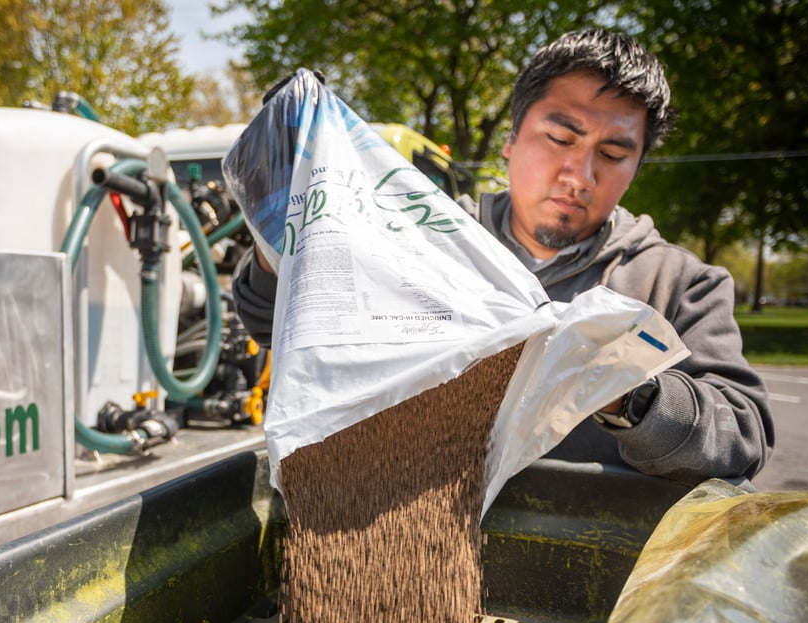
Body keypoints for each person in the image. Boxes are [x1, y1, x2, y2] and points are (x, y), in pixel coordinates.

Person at [231, 28, 774, 485]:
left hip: (585, 561)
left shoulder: (678, 283)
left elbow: (743, 435)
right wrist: (283, 231)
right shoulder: (426, 237)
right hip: (412, 528)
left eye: (612, 155)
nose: (579, 176)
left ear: (636, 168)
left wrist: (627, 392)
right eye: (560, 138)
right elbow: (274, 321)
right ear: (511, 139)